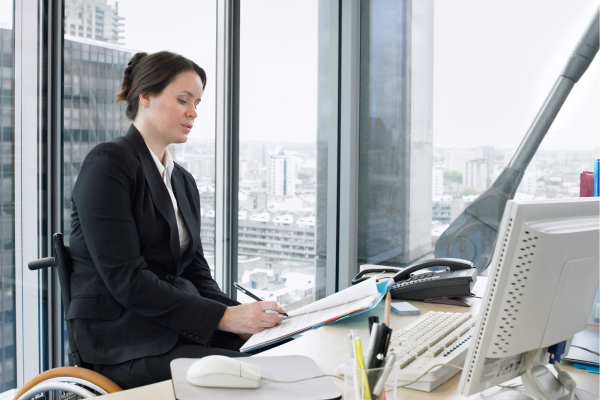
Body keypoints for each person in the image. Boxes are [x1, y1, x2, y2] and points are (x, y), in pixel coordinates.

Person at [67, 51, 286, 389]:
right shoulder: (109, 164)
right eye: (183, 99)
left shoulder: (182, 181)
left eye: (197, 102)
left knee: (280, 350)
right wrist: (225, 318)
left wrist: (250, 317)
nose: (193, 112)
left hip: (172, 327)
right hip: (123, 341)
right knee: (261, 376)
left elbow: (196, 274)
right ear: (146, 96)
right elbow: (127, 279)